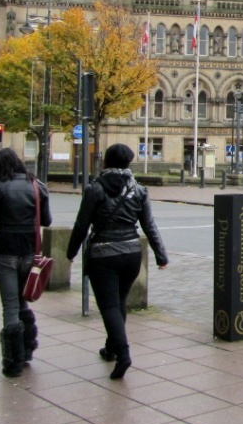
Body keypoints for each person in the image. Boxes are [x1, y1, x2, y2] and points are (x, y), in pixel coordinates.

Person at [67, 143, 168, 379]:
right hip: (132, 253)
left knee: (109, 306)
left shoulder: (95, 189)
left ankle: (123, 354)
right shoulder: (139, 190)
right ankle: (111, 348)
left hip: (103, 254)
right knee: (119, 301)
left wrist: (70, 253)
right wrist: (161, 255)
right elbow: (149, 225)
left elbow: (82, 224)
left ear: (106, 162)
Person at [0, 148, 52, 378]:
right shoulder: (37, 185)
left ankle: (12, 360)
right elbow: (48, 220)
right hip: (30, 250)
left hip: (5, 249)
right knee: (22, 302)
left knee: (10, 305)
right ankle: (27, 348)